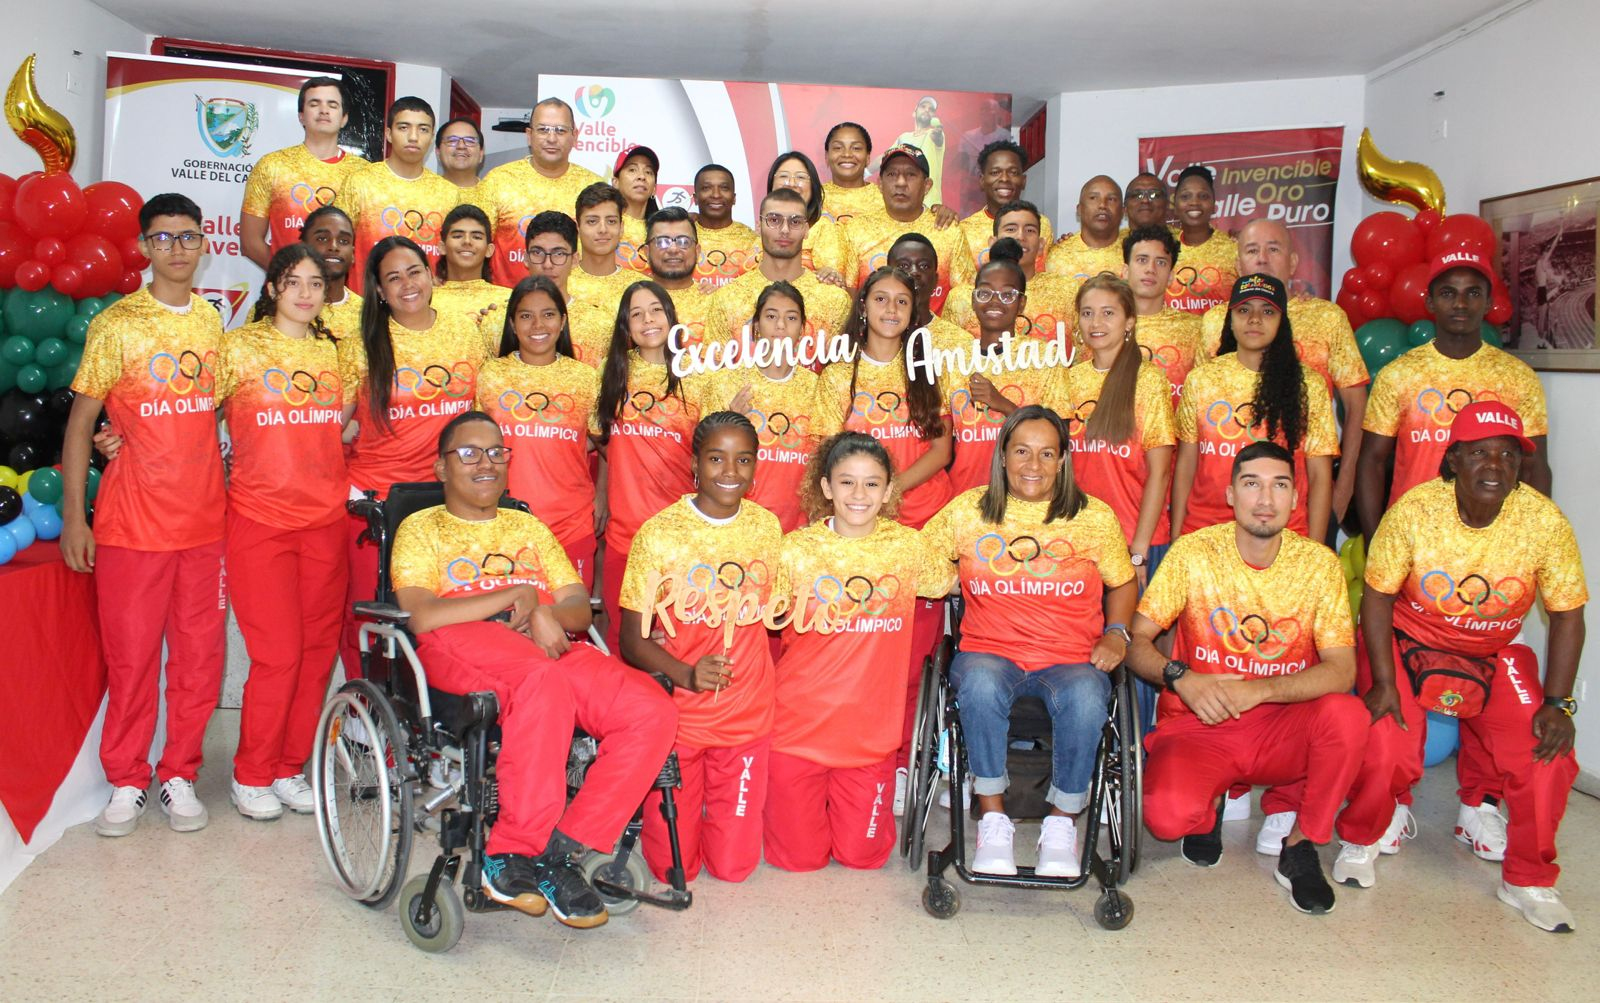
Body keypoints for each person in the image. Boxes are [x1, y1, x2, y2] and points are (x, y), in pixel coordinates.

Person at [392, 411, 677, 928]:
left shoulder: (528, 527)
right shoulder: (421, 528)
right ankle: (509, 852)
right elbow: (422, 613)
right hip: (459, 642)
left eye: (497, 452)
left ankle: (559, 853)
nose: (487, 463)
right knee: (540, 681)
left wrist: (543, 611)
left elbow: (577, 607)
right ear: (440, 467)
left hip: (543, 641)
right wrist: (515, 596)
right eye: (470, 453)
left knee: (650, 710)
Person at [1128, 440, 1393, 915]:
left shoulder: (1319, 564)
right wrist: (1181, 676)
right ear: (1230, 495)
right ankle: (1208, 807)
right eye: (1252, 484)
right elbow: (1135, 642)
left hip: (1280, 726)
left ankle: (1300, 844)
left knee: (1349, 716)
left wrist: (1261, 691)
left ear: (1295, 498)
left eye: (1280, 485)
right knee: (1168, 819)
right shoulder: (1193, 553)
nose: (1265, 499)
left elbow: (1342, 670)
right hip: (1200, 722)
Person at [1359, 402, 1584, 932]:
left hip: (1494, 649)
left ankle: (1528, 879)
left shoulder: (1543, 520)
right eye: (1480, 452)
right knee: (1386, 733)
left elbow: (1568, 615)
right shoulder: (1415, 510)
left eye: (1507, 455)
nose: (1494, 465)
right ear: (1453, 459)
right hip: (1411, 639)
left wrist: (1558, 703)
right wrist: (1385, 681)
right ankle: (1368, 830)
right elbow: (1376, 597)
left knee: (1545, 753)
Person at [61, 193, 227, 836]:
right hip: (131, 527)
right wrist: (77, 518)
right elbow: (80, 428)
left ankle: (179, 772)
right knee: (132, 661)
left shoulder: (213, 323)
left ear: (203, 244)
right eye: (164, 238)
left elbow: (207, 412)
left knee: (198, 659)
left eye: (188, 236)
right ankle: (127, 779)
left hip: (205, 526)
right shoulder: (118, 324)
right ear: (144, 247)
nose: (178, 248)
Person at [922, 406, 1136, 876]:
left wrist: (1118, 633)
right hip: (990, 654)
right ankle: (993, 818)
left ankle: (1061, 825)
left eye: (1045, 453)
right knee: (976, 682)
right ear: (1002, 456)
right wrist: (948, 578)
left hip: (1069, 659)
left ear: (1063, 460)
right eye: (1021, 451)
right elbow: (919, 559)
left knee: (1086, 695)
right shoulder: (968, 511)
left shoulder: (1093, 517)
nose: (1032, 465)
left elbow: (1122, 582)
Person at [766, 433, 954, 870]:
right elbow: (750, 611)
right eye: (846, 482)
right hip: (796, 732)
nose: (858, 495)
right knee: (798, 860)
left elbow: (960, 579)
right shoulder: (794, 550)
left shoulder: (908, 548)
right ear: (826, 487)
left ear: (889, 490)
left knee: (862, 858)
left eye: (872, 484)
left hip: (869, 741)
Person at [618, 412, 785, 883]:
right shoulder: (659, 533)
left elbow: (778, 608)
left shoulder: (767, 528)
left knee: (734, 870)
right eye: (716, 458)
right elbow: (632, 639)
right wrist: (684, 672)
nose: (729, 472)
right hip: (681, 717)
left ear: (756, 467)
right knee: (673, 869)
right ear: (694, 463)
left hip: (746, 713)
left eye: (743, 460)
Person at [215, 244, 347, 819]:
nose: (304, 292)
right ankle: (252, 771)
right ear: (271, 288)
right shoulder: (238, 347)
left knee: (317, 654)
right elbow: (194, 416)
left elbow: (348, 426)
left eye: (315, 283)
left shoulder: (336, 353)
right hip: (259, 523)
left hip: (325, 523)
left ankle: (291, 767)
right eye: (292, 282)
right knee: (277, 655)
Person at [335, 235, 487, 687]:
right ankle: (365, 714)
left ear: (431, 275)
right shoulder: (361, 344)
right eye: (392, 278)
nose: (406, 285)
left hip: (446, 504)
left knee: (443, 615)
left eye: (414, 272)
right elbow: (329, 425)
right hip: (377, 505)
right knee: (370, 616)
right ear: (378, 290)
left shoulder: (464, 331)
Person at [1357, 250, 1551, 540]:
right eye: (1448, 293)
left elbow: (1535, 468)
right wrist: (1377, 542)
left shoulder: (1517, 377)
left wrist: (1531, 539)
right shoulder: (1399, 374)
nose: (1461, 303)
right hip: (1413, 535)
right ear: (1430, 302)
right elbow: (1371, 462)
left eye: (1473, 293)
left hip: (1494, 539)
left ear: (1487, 302)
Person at [1200, 219, 1369, 527]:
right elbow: (1199, 418)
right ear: (1238, 265)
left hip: (1302, 503)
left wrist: (1343, 488)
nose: (1262, 258)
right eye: (1252, 250)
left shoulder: (1326, 319)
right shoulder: (1214, 322)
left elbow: (1357, 408)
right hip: (1221, 506)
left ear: (1292, 262)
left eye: (1273, 249)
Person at [1173, 274, 1337, 540]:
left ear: (1282, 321)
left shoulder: (1309, 384)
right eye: (1244, 310)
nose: (1255, 319)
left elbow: (1319, 476)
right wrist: (1177, 539)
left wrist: (1315, 550)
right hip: (1205, 532)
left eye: (1268, 311)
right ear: (1231, 319)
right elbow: (1186, 465)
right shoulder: (1201, 379)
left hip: (1283, 534)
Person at [591, 281, 708, 652]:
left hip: (681, 535)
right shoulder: (611, 376)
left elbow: (709, 452)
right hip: (626, 535)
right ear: (626, 325)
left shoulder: (698, 375)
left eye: (656, 310)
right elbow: (602, 438)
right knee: (625, 638)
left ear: (672, 317)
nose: (648, 320)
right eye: (636, 314)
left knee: (676, 639)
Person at [476, 275, 601, 588]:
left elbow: (608, 445)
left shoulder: (586, 379)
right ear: (512, 324)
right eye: (526, 316)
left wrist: (603, 497)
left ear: (562, 322)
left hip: (571, 524)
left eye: (548, 315)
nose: (537, 325)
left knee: (566, 624)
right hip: (503, 521)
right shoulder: (490, 375)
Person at [1064, 275, 1176, 584]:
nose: (1095, 322)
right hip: (1082, 540)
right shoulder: (1070, 379)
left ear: (1129, 321)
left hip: (1135, 542)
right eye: (1087, 313)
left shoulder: (1148, 381)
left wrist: (1138, 551)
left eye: (1107, 312)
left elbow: (1160, 473)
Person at [943, 239, 1065, 493]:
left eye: (1007, 294)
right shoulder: (952, 360)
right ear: (974, 300)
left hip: (1025, 494)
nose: (995, 302)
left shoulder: (1044, 358)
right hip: (964, 494)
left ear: (1021, 304)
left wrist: (1002, 404)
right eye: (985, 293)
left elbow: (1059, 435)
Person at [701, 281, 819, 531]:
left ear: (802, 330)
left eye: (791, 317)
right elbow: (703, 461)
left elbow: (824, 462)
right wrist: (729, 424)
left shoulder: (818, 388)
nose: (780, 325)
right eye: (771, 316)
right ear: (756, 327)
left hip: (798, 526)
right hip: (735, 523)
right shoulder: (724, 382)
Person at [333, 96, 461, 290]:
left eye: (423, 129)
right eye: (404, 127)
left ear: (432, 136)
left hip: (427, 308)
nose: (413, 137)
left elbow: (456, 255)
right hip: (366, 305)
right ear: (389, 134)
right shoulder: (360, 182)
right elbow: (336, 245)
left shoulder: (449, 193)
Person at [240, 77, 367, 270]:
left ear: (344, 118)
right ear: (301, 115)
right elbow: (250, 243)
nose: (324, 110)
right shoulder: (273, 166)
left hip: (344, 295)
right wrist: (290, 276)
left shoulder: (364, 173)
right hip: (285, 294)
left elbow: (367, 246)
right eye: (314, 104)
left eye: (332, 105)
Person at [703, 188, 852, 350]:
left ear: (806, 229)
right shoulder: (727, 298)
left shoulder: (835, 301)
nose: (785, 230)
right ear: (759, 226)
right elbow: (715, 370)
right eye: (774, 220)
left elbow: (841, 371)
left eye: (795, 222)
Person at [479, 97, 604, 286]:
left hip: (576, 304)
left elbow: (603, 248)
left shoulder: (593, 186)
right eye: (543, 129)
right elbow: (477, 243)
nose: (552, 138)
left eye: (560, 130)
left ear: (575, 136)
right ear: (529, 135)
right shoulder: (499, 180)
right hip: (508, 303)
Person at [843, 144, 975, 313]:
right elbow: (850, 293)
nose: (900, 183)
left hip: (934, 335)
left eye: (911, 175)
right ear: (880, 184)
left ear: (927, 185)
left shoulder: (947, 229)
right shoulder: (856, 230)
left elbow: (964, 296)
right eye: (892, 174)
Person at [943, 200, 1078, 344]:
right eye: (1011, 229)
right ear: (992, 243)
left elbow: (1081, 355)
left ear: (1040, 245)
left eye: (1030, 230)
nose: (1020, 236)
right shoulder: (962, 298)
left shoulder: (1067, 291)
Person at [521, 210, 613, 367]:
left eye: (558, 253)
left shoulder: (600, 324)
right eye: (538, 252)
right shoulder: (500, 320)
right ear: (526, 258)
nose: (547, 264)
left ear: (575, 260)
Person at [1123, 224, 1201, 408]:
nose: (1151, 269)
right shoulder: (1103, 326)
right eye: (1142, 260)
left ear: (1171, 277)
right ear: (1125, 271)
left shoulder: (1195, 329)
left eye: (1160, 262)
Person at [958, 141, 1053, 272]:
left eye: (1013, 172)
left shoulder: (1043, 224)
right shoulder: (965, 230)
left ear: (1023, 181)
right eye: (995, 172)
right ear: (982, 180)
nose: (1004, 179)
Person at [767, 150, 851, 283]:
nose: (791, 183)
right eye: (783, 176)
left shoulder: (826, 229)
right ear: (771, 184)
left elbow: (831, 281)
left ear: (813, 187)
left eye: (800, 177)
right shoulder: (764, 227)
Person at [430, 203, 504, 350]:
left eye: (476, 236)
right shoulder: (425, 301)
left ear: (489, 250)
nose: (467, 241)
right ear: (442, 247)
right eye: (458, 235)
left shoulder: (508, 300)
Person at [1168, 165, 1238, 315]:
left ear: (1214, 206)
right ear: (1175, 206)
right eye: (1186, 196)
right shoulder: (1163, 248)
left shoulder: (1233, 248)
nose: (1194, 202)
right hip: (1173, 337)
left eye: (1203, 196)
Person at [642, 207, 716, 346]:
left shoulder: (716, 301)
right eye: (662, 241)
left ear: (697, 251)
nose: (673, 249)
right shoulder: (633, 301)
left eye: (683, 242)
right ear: (647, 252)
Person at [568, 183, 636, 311]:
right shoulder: (560, 283)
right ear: (578, 227)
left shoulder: (640, 286)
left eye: (611, 221)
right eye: (592, 221)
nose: (603, 229)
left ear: (621, 228)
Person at [300, 205, 363, 341]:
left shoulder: (366, 314)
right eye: (322, 239)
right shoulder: (282, 307)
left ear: (352, 254)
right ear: (303, 247)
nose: (334, 247)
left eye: (343, 241)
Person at [690, 164, 758, 290]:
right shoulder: (682, 238)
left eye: (724, 188)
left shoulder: (752, 240)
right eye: (706, 188)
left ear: (734, 198)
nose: (716, 195)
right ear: (695, 198)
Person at [1045, 176, 1125, 281]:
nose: (1102, 205)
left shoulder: (1135, 252)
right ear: (1079, 209)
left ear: (1123, 211)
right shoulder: (1058, 257)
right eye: (1093, 198)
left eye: (1111, 199)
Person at [821, 121, 883, 225]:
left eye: (856, 148)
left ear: (868, 158)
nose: (847, 154)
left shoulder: (884, 198)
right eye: (838, 148)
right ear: (826, 157)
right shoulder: (814, 197)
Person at [613, 144, 660, 274]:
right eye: (632, 170)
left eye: (648, 172)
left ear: (654, 188)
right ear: (615, 182)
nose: (641, 177)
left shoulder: (663, 230)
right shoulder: (602, 225)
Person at [894, 97, 946, 208]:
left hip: (930, 205)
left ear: (933, 116)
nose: (927, 110)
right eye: (923, 106)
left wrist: (938, 133)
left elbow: (937, 137)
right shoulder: (903, 137)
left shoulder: (934, 133)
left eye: (931, 109)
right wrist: (867, 172)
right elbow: (884, 156)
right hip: (906, 204)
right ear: (914, 112)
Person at [435, 116, 487, 205]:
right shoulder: (421, 194)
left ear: (481, 154)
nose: (461, 146)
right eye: (452, 140)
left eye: (470, 141)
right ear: (438, 152)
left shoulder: (495, 196)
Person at [1534, 212, 1567, 344]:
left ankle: (1541, 339)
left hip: (1540, 289)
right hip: (1542, 290)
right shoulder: (1543, 260)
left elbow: (1546, 276)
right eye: (1547, 251)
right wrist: (1559, 233)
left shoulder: (1538, 263)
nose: (1549, 254)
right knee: (1542, 317)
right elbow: (1552, 248)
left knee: (1543, 316)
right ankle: (1541, 341)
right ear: (1544, 252)